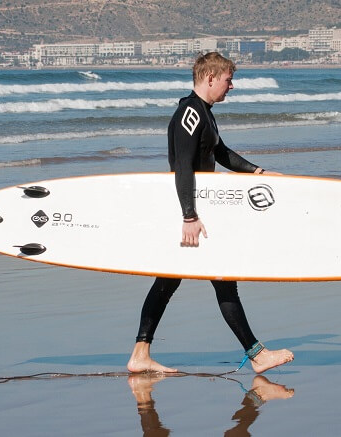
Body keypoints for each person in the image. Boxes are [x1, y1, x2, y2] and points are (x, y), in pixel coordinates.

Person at [127, 52, 294, 374]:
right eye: (228, 80)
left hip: (196, 209)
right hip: (192, 212)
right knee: (221, 281)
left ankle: (140, 354)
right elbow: (183, 168)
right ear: (210, 78)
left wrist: (258, 172)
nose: (231, 86)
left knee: (168, 281)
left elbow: (221, 153)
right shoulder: (190, 113)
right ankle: (257, 354)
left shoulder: (204, 113)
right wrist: (189, 216)